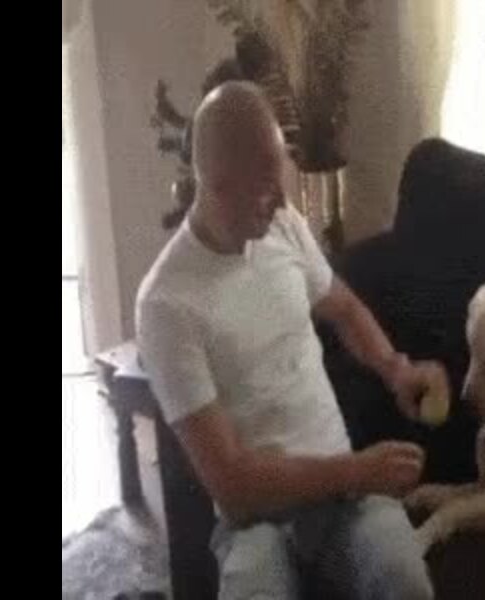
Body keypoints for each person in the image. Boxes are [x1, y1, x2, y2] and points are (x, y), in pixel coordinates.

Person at [136, 81, 437, 600]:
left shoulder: (283, 227)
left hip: (347, 504)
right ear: (215, 184)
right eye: (265, 188)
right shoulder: (165, 304)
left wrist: (396, 369)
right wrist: (356, 470)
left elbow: (345, 309)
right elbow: (232, 484)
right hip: (256, 524)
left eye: (281, 182)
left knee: (407, 585)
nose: (281, 201)